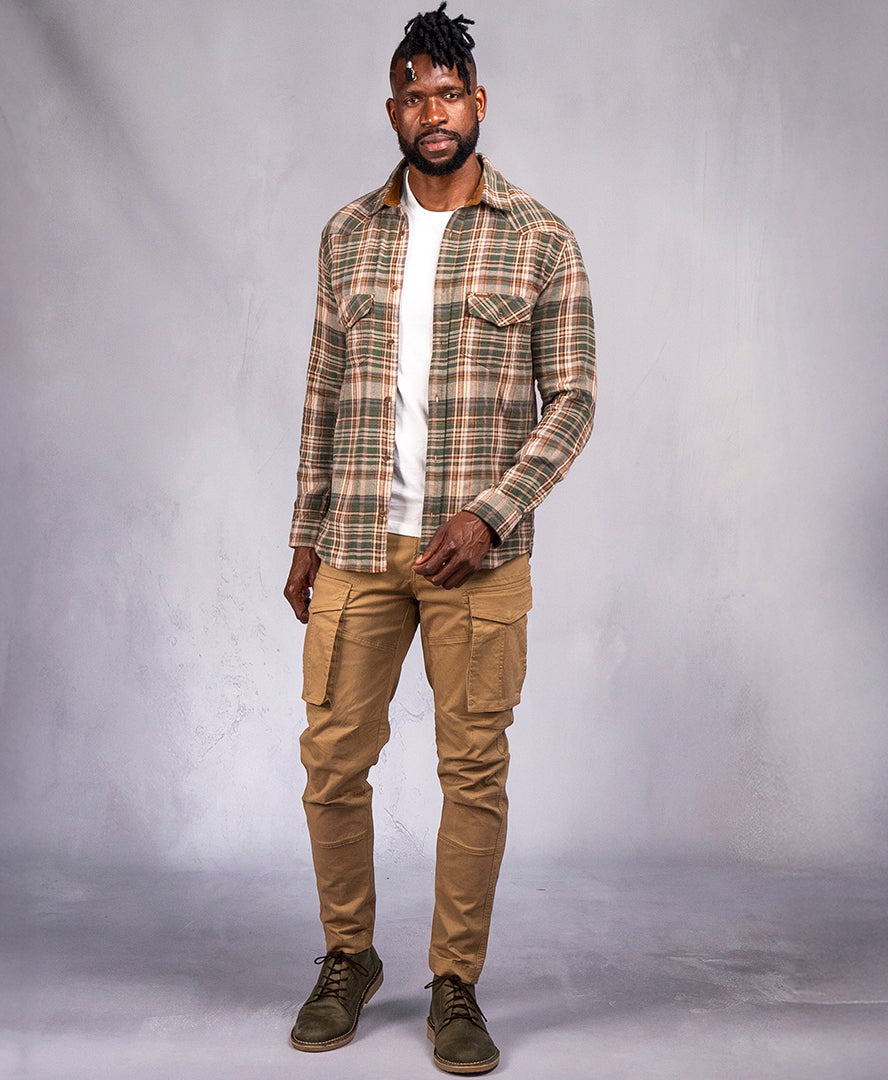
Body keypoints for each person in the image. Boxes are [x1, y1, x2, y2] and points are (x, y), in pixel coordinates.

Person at [282, 3, 595, 1072]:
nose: (433, 112)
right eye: (414, 96)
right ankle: (348, 956)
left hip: (478, 557)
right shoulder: (348, 235)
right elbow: (323, 393)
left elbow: (573, 402)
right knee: (332, 759)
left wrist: (490, 512)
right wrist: (304, 534)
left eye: (449, 93)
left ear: (479, 103)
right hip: (358, 540)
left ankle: (455, 983)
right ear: (393, 111)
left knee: (473, 770)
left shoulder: (540, 237)